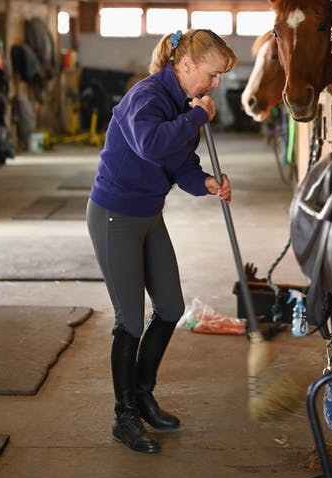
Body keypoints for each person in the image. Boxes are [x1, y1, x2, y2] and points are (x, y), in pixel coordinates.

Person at [87, 27, 237, 455]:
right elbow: (152, 145)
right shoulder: (147, 97)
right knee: (129, 320)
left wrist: (205, 181)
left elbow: (178, 162)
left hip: (149, 214)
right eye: (211, 74)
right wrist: (196, 118)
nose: (214, 85)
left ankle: (143, 393)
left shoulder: (183, 103)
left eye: (219, 77)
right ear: (185, 65)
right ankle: (124, 416)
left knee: (170, 307)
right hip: (116, 215)